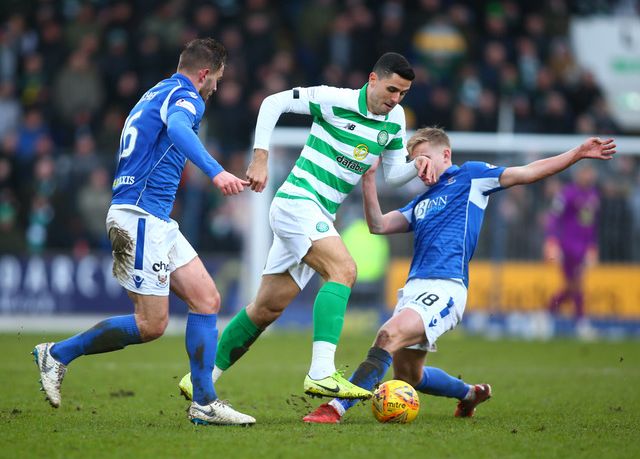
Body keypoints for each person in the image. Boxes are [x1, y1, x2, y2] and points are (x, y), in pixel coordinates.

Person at [303, 127, 616, 423]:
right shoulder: (421, 201)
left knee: (387, 335)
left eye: (424, 158)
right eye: (414, 162)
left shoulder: (471, 176)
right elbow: (378, 225)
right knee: (409, 376)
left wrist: (577, 153)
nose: (419, 168)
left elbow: (527, 172)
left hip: (446, 287)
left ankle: (335, 408)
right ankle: (470, 394)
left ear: (446, 155)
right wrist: (369, 179)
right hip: (413, 291)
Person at [178, 52, 435, 401]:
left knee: (266, 308)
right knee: (344, 269)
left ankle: (200, 377)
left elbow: (392, 173)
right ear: (373, 80)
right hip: (297, 202)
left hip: (318, 215)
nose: (396, 99)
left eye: (403, 93)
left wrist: (416, 164)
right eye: (392, 89)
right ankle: (321, 372)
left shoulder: (395, 119)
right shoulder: (334, 99)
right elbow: (273, 103)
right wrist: (260, 156)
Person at [32, 38, 255, 426]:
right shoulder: (186, 97)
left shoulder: (155, 92)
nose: (216, 87)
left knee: (207, 299)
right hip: (139, 216)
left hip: (155, 219)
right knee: (151, 324)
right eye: (217, 79)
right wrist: (217, 172)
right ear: (204, 73)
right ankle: (57, 354)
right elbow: (180, 129)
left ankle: (204, 403)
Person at [544, 164, 600, 334]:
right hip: (567, 245)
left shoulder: (593, 195)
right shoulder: (567, 193)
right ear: (578, 174)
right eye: (586, 172)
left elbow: (591, 224)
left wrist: (592, 246)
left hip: (583, 247)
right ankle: (579, 322)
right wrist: (552, 240)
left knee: (573, 285)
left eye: (590, 172)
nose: (589, 176)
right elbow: (554, 217)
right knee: (576, 284)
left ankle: (546, 316)